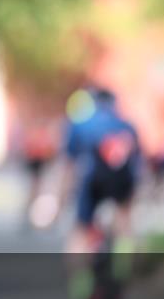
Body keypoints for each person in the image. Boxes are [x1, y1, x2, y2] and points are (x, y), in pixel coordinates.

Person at [59, 87, 140, 255]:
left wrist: (63, 195)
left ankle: (77, 275)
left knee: (81, 229)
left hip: (93, 179)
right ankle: (128, 265)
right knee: (124, 223)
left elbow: (69, 164)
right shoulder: (127, 125)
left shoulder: (81, 125)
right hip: (122, 179)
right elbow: (138, 163)